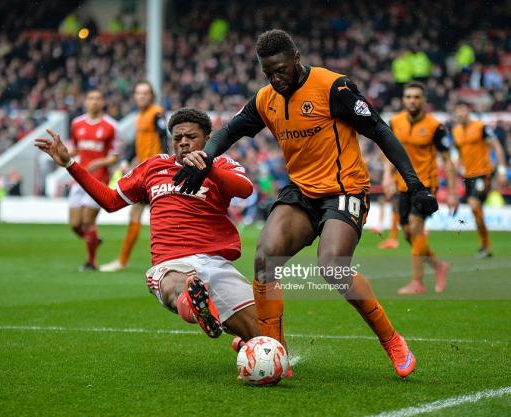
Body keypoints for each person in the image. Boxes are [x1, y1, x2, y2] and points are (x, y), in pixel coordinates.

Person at [174, 29, 439, 378]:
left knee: (332, 266)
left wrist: (415, 184)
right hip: (302, 192)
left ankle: (391, 340)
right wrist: (205, 157)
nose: (276, 78)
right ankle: (273, 349)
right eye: (268, 72)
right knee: (265, 257)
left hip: (345, 190)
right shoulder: (266, 98)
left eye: (281, 69)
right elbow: (230, 130)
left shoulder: (334, 88)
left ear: (296, 58)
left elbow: (380, 131)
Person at [35, 108, 260, 346]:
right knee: (180, 286)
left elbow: (244, 190)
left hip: (215, 263)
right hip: (172, 262)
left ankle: (240, 338)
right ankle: (197, 308)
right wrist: (71, 164)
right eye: (177, 138)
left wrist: (208, 168)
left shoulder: (223, 164)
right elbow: (111, 201)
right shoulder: (154, 167)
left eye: (191, 137)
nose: (183, 142)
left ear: (207, 138)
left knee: (268, 340)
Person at [384, 82, 458, 295]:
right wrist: (387, 176)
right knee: (407, 233)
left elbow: (448, 160)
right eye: (408, 97)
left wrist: (452, 193)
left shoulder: (436, 127)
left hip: (425, 185)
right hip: (402, 184)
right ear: (403, 99)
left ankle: (417, 283)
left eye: (417, 97)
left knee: (416, 229)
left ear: (424, 100)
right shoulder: (395, 122)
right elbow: (391, 152)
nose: (412, 100)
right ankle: (439, 267)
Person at [100, 80, 168, 272]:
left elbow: (164, 137)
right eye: (139, 93)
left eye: (145, 93)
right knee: (141, 214)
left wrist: (164, 165)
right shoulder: (141, 116)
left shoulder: (156, 113)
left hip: (154, 171)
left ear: (151, 96)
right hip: (145, 171)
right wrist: (126, 160)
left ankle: (125, 260)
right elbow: (136, 142)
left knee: (156, 216)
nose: (142, 96)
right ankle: (125, 259)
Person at [68, 89, 119, 271]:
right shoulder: (77, 123)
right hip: (78, 179)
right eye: (90, 98)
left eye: (98, 98)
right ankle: (94, 240)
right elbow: (75, 149)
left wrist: (98, 162)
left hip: (98, 180)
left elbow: (114, 156)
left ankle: (91, 262)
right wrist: (60, 152)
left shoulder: (111, 126)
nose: (94, 102)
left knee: (88, 222)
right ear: (85, 101)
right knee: (74, 224)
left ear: (103, 102)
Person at [451, 102, 507, 258]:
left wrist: (502, 170)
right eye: (458, 112)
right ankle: (485, 245)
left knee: (474, 204)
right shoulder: (455, 131)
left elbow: (496, 146)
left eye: (463, 111)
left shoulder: (480, 127)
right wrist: (456, 166)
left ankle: (485, 245)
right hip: (468, 176)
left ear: (468, 111)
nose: (460, 114)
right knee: (476, 210)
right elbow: (457, 152)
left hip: (484, 173)